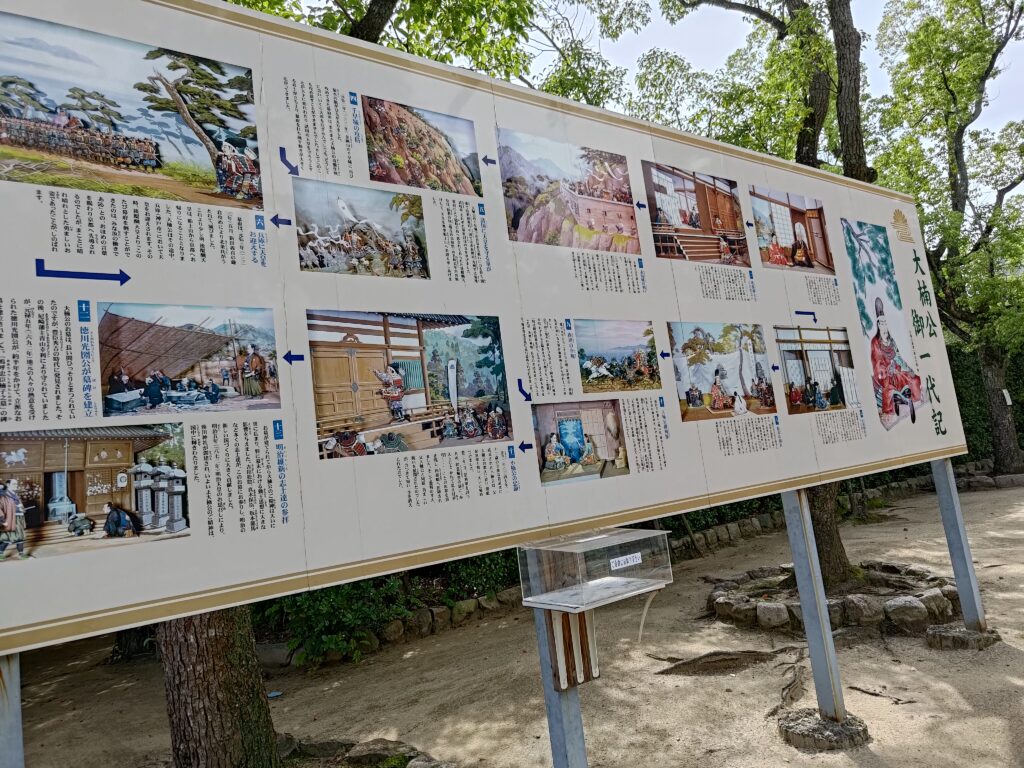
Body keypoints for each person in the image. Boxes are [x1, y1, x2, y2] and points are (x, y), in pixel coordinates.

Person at [870, 298, 921, 419]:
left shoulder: (891, 340)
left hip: (896, 369)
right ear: (878, 325)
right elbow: (876, 361)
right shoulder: (875, 341)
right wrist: (886, 369)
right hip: (885, 373)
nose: (884, 326)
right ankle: (892, 406)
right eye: (881, 323)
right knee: (889, 388)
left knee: (913, 379)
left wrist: (907, 368)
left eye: (885, 323)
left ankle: (911, 398)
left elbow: (898, 356)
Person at [0, 480, 28, 560]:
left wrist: (22, 509)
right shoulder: (3, 495)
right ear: (8, 485)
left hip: (18, 519)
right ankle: (0, 554)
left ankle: (21, 554)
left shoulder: (15, 495)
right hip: (9, 519)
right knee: (6, 537)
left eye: (16, 484)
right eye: (14, 484)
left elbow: (19, 506)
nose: (16, 485)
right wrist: (2, 520)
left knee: (20, 536)